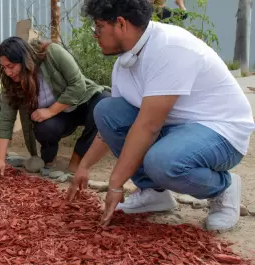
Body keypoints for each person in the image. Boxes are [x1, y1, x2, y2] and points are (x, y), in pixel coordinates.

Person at [67, 0, 255, 231]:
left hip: (220, 132)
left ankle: (224, 188)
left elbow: (148, 127)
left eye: (98, 27)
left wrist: (115, 184)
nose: (95, 35)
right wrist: (84, 166)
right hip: (177, 130)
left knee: (162, 162)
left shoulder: (169, 48)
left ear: (121, 24)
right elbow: (110, 130)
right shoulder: (124, 64)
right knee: (106, 110)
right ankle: (154, 193)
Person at [0, 37, 110, 179]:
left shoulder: (52, 53)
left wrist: (50, 111)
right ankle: (49, 160)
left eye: (11, 66)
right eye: (4, 67)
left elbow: (78, 85)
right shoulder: (10, 80)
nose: (8, 72)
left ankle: (77, 159)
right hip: (59, 118)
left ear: (25, 59)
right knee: (45, 128)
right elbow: (6, 119)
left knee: (104, 103)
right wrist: (0, 160)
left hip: (81, 102)